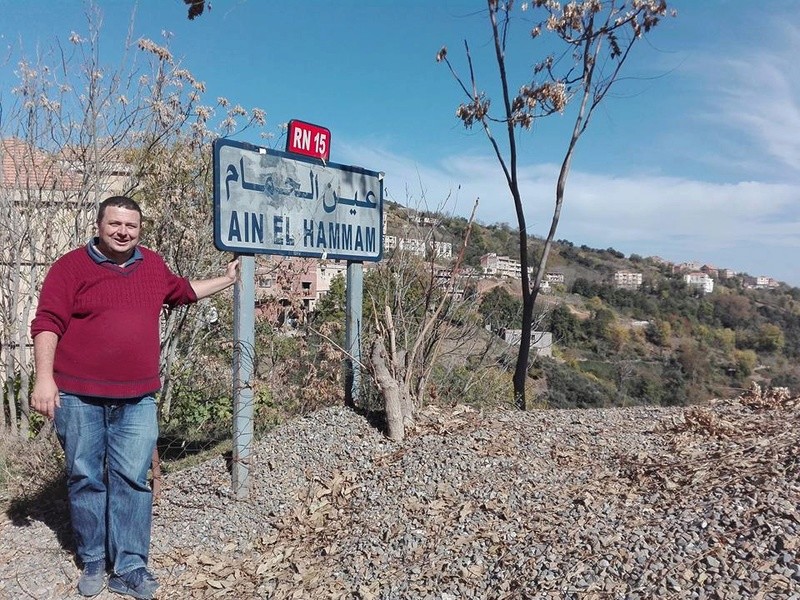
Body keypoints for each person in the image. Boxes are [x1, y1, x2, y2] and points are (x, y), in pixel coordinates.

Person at [30, 195, 239, 599]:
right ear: (98, 225)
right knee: (85, 478)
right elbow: (47, 323)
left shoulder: (153, 264)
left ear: (139, 230)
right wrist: (44, 379)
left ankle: (129, 566)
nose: (123, 232)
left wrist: (228, 280)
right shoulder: (70, 267)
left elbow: (182, 292)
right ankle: (93, 560)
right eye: (115, 225)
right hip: (77, 396)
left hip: (138, 397)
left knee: (132, 480)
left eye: (131, 226)